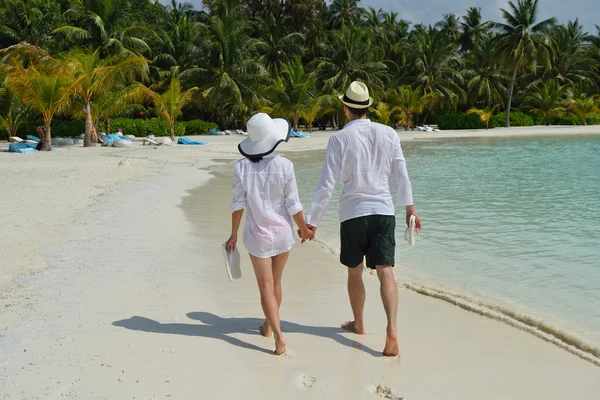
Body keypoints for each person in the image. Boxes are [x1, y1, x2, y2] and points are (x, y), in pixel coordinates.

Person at [305, 81, 422, 357]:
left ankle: (359, 324)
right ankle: (392, 331)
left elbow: (327, 184)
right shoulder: (389, 133)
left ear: (346, 108)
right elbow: (401, 174)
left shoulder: (338, 140)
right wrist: (410, 209)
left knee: (354, 271)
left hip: (353, 214)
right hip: (383, 211)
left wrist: (312, 221)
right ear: (368, 108)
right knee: (386, 271)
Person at [225, 113, 314, 355]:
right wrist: (305, 229)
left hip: (257, 234)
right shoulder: (285, 165)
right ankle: (269, 327)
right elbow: (293, 204)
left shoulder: (241, 167)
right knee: (276, 283)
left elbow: (237, 204)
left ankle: (276, 335)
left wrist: (233, 234)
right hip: (283, 233)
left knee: (265, 287)